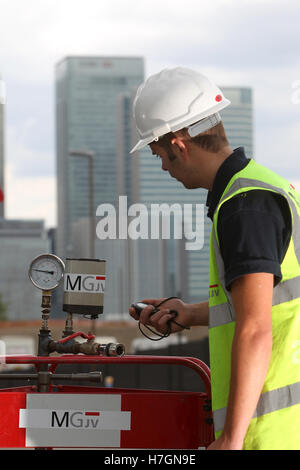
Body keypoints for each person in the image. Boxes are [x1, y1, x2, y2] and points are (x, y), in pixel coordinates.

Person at [128, 67, 300, 450]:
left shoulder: (244, 207)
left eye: (160, 155)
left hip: (269, 431)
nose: (163, 168)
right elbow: (269, 300)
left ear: (179, 143)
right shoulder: (264, 187)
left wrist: (232, 439)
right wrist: (188, 313)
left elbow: (256, 327)